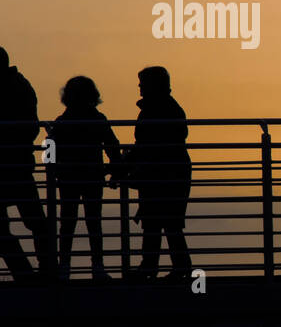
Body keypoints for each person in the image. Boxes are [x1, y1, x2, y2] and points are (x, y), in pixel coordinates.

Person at [47, 76, 122, 281]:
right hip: (92, 175)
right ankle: (97, 267)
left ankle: (64, 267)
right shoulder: (98, 119)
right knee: (93, 221)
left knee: (67, 222)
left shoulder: (62, 122)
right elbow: (113, 147)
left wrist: (53, 167)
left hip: (69, 176)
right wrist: (116, 171)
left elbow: (49, 151)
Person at [124, 66, 191, 282]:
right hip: (169, 172)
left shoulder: (155, 110)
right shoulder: (168, 108)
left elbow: (147, 146)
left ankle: (155, 267)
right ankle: (173, 267)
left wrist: (129, 167)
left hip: (162, 173)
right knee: (165, 222)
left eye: (143, 83)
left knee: (159, 222)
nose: (140, 87)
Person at [0, 47, 54, 281]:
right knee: (34, 221)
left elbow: (27, 126)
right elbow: (30, 126)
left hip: (13, 164)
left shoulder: (15, 87)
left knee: (31, 222)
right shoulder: (21, 85)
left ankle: (28, 273)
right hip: (18, 164)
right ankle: (40, 270)